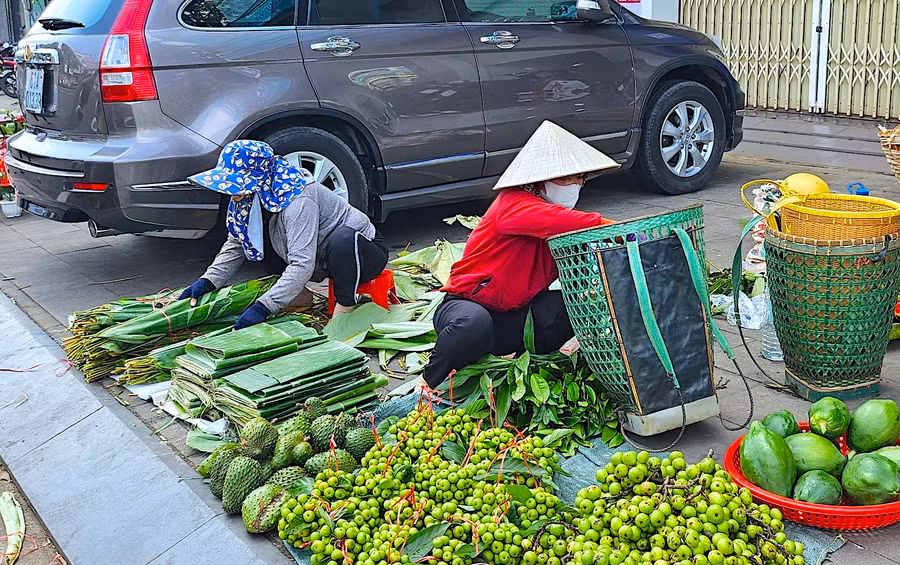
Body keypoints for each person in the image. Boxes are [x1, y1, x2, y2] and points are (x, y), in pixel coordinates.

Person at [417, 121, 619, 390]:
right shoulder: (513, 204)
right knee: (473, 325)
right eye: (566, 177)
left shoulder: (558, 218)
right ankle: (427, 383)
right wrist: (633, 232)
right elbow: (586, 225)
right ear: (541, 179)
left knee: (571, 307)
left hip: (512, 318)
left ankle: (523, 365)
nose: (575, 184)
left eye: (580, 178)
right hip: (465, 308)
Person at [180, 140, 388, 329]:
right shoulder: (247, 196)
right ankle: (300, 296)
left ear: (258, 178)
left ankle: (345, 306)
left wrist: (263, 307)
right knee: (260, 239)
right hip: (319, 256)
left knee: (342, 240)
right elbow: (237, 243)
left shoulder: (299, 199)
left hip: (361, 254)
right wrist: (208, 281)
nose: (232, 192)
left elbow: (301, 264)